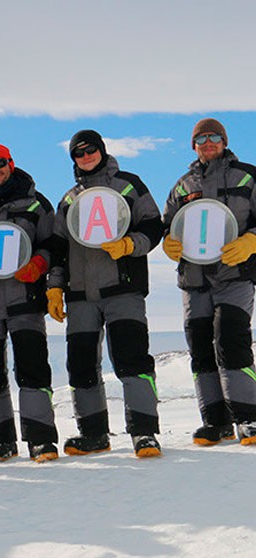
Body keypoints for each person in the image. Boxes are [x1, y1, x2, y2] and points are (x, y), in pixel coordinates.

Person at [47, 130, 164, 458]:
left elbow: (154, 226)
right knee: (81, 365)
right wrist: (54, 287)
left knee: (132, 361)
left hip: (123, 288)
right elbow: (58, 248)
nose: (86, 157)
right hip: (81, 294)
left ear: (102, 150)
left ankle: (144, 433)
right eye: (78, 153)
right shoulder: (69, 199)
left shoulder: (128, 184)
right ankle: (94, 434)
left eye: (90, 150)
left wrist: (130, 245)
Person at [161, 118, 256, 446]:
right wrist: (168, 242)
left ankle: (249, 418)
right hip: (194, 279)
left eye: (214, 137)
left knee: (231, 339)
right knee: (201, 348)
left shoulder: (248, 175)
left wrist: (251, 241)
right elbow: (168, 224)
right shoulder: (183, 185)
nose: (208, 142)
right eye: (201, 139)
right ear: (193, 145)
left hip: (235, 275)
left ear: (225, 140)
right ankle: (215, 422)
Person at [0, 145, 59, 463]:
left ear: (11, 164)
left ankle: (41, 438)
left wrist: (40, 265)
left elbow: (53, 244)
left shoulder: (36, 203)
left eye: (0, 164)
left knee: (32, 369)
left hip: (24, 299)